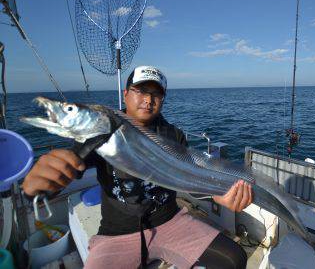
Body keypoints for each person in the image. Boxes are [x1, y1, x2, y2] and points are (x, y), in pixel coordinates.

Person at [22, 66, 252, 269]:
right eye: (140, 91)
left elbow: (187, 177)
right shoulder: (100, 132)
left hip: (171, 221)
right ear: (125, 94)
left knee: (235, 258)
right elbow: (66, 172)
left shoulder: (174, 136)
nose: (148, 99)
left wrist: (217, 194)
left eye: (156, 94)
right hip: (117, 234)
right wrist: (36, 187)